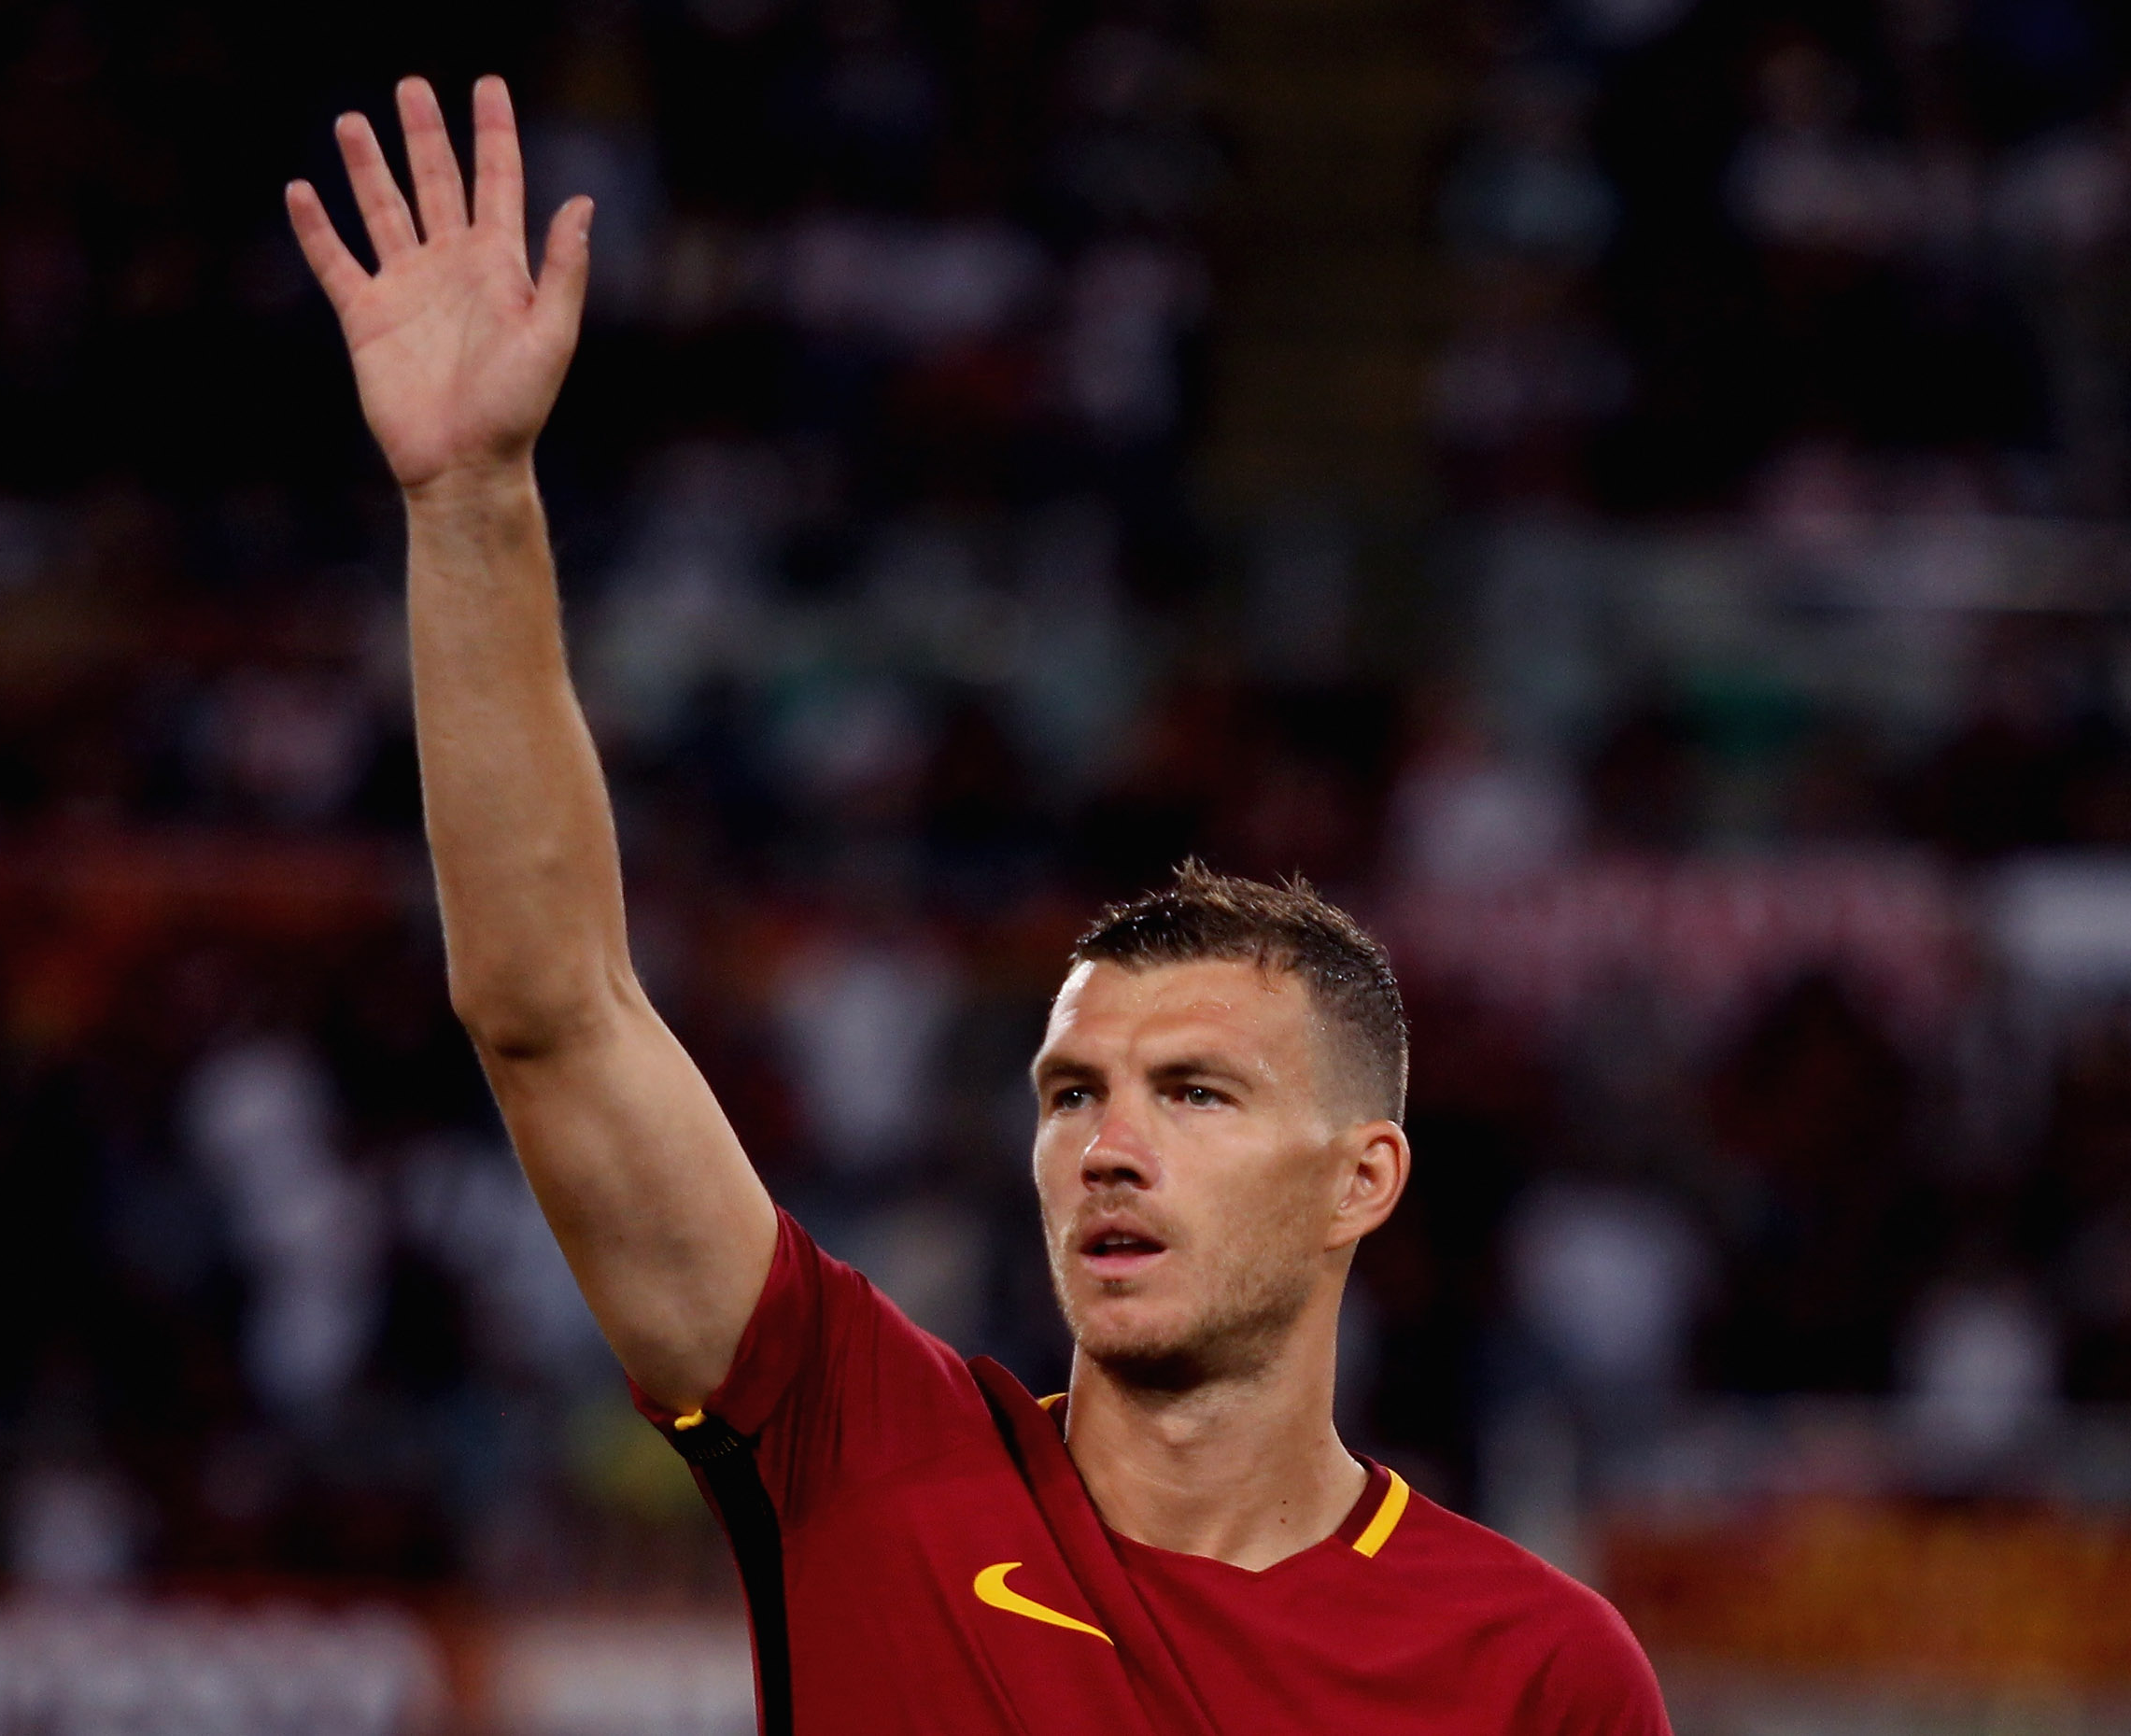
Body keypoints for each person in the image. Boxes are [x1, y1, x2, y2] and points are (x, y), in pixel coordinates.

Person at [286, 75, 1671, 1735]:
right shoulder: (861, 1451)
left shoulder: (1537, 1669)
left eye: (1197, 1093)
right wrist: (470, 504)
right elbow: (552, 1014)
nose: (1108, 1147)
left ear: (1359, 1178)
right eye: (1072, 1093)